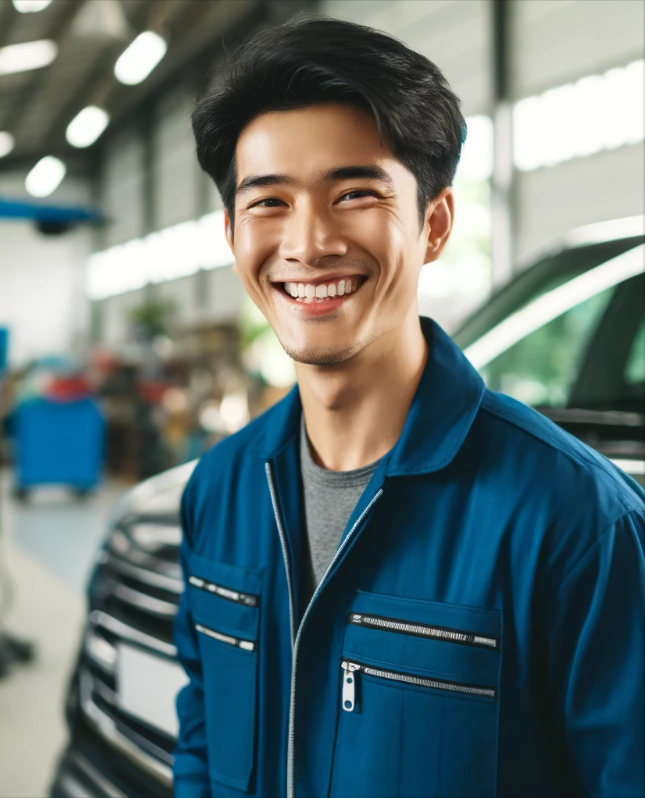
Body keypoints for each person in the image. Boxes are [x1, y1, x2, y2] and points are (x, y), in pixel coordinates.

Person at [172, 17, 645, 798]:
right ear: (231, 234)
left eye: (354, 194)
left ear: (433, 224)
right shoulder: (218, 491)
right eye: (269, 204)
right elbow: (201, 743)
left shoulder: (576, 526)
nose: (309, 242)